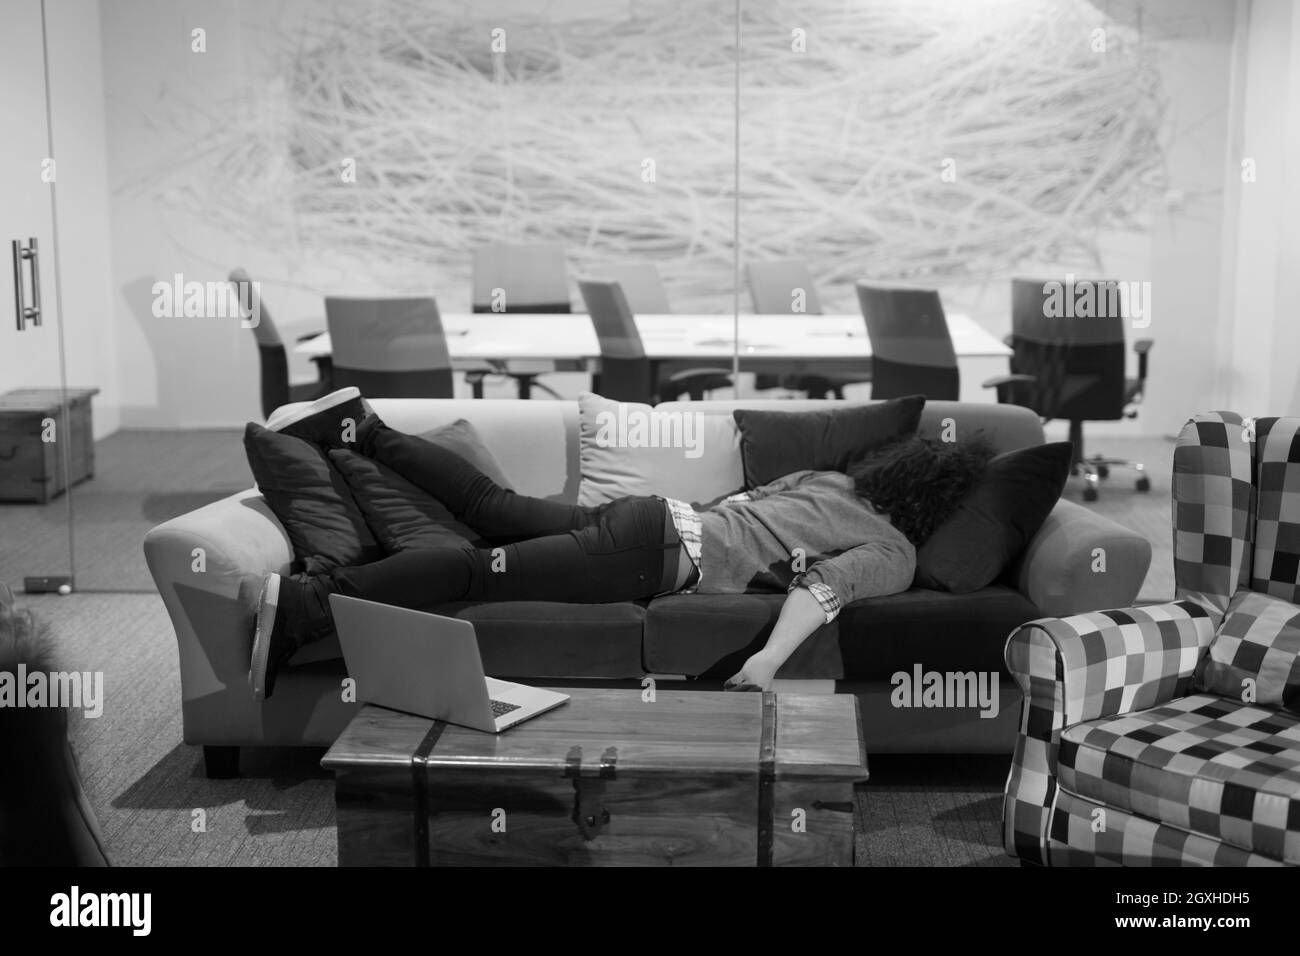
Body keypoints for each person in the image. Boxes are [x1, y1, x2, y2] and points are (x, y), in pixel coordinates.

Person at [250, 389, 993, 699]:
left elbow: (744, 506)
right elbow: (820, 591)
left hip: (652, 520)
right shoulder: (892, 551)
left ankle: (363, 428)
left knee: (490, 508)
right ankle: (311, 605)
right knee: (477, 571)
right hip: (653, 554)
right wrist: (766, 662)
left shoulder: (831, 481)